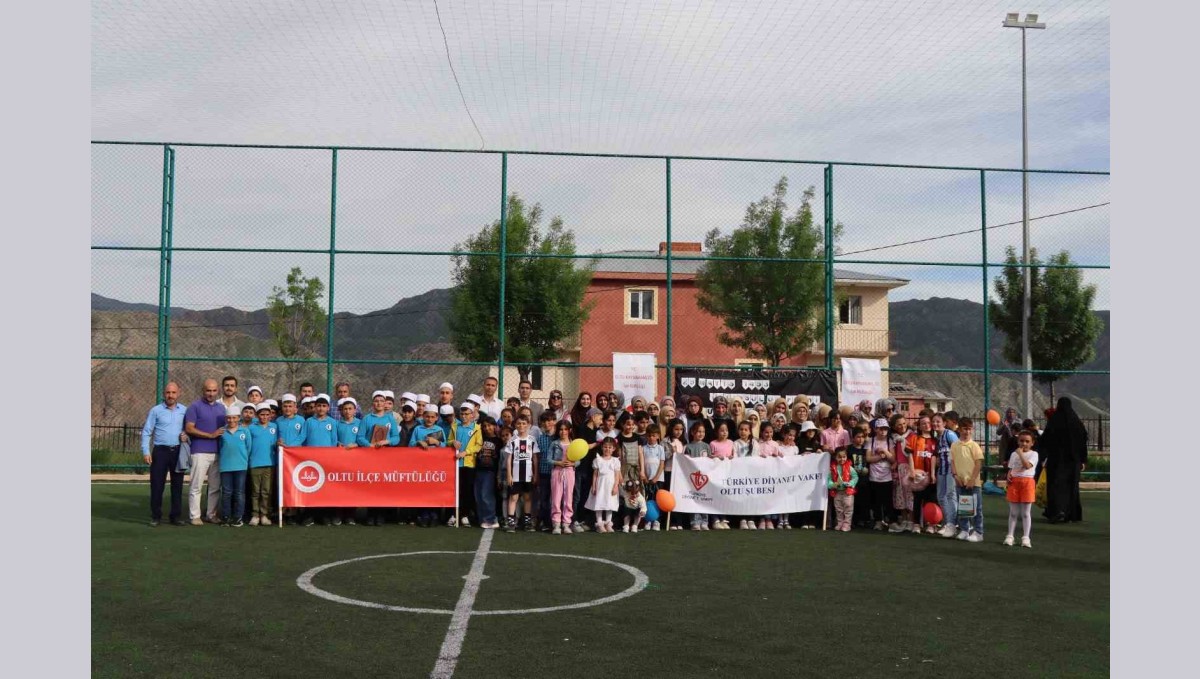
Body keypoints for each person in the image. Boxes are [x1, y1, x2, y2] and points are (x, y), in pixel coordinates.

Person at [141, 381, 188, 527]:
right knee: (156, 485)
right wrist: (146, 451)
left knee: (177, 485)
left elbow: (190, 429)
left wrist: (186, 435)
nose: (171, 395)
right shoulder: (156, 410)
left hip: (178, 451)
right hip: (160, 451)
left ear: (178, 393)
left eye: (173, 393)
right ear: (164, 394)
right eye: (168, 392)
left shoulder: (185, 410)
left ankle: (175, 516)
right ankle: (156, 516)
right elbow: (147, 431)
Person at [185, 379, 226, 525]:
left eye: (214, 390)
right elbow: (189, 428)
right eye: (208, 390)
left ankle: (211, 514)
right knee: (196, 486)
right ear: (203, 390)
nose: (211, 393)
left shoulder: (222, 408)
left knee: (215, 486)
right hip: (199, 451)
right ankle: (195, 516)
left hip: (217, 452)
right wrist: (210, 435)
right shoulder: (194, 407)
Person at [1040, 397, 1088, 524]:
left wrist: (1042, 457)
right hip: (1074, 461)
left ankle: (1057, 511)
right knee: (1072, 486)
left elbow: (1045, 440)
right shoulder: (1077, 423)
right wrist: (1083, 460)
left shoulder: (1054, 421)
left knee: (1056, 485)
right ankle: (1072, 514)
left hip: (1057, 461)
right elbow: (1083, 441)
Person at [503, 415, 540, 533]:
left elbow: (535, 458)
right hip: (515, 475)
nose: (521, 426)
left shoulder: (532, 440)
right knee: (513, 497)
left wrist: (535, 474)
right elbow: (508, 459)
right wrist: (509, 475)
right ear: (515, 425)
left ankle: (528, 522)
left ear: (529, 425)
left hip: (528, 475)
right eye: (519, 423)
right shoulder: (512, 440)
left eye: (524, 423)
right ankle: (511, 522)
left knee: (528, 497)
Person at [951, 417, 985, 542]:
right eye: (965, 429)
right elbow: (953, 462)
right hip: (960, 482)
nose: (967, 432)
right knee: (963, 507)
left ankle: (978, 532)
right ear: (959, 429)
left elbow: (978, 464)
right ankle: (965, 530)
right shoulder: (954, 445)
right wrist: (955, 476)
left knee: (977, 508)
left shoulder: (974, 445)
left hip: (973, 483)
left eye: (969, 429)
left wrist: (972, 479)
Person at [1005, 430, 1039, 548]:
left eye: (1027, 441)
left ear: (1032, 443)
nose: (1024, 443)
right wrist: (1008, 474)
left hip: (1027, 483)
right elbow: (1011, 468)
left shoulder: (1034, 454)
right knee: (1013, 512)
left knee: (1025, 513)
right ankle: (1010, 536)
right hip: (1014, 483)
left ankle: (1026, 537)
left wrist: (1020, 454)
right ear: (1018, 441)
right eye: (1021, 441)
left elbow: (1027, 466)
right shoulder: (1013, 454)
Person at [217, 406, 250, 527]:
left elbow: (248, 447)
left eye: (234, 418)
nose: (231, 420)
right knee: (226, 492)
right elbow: (220, 448)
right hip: (225, 466)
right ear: (226, 418)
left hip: (241, 466)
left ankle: (238, 517)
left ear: (238, 418)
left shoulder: (244, 431)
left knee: (239, 493)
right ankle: (225, 516)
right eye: (229, 418)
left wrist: (243, 460)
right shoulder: (222, 431)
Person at [247, 403, 278, 526]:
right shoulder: (251, 428)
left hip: (270, 463)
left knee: (266, 491)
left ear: (270, 415)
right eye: (261, 414)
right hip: (255, 463)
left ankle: (264, 515)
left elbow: (276, 443)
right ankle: (255, 515)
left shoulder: (274, 427)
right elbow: (248, 445)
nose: (264, 417)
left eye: (267, 414)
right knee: (255, 491)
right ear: (257, 415)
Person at [907, 415, 938, 534]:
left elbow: (935, 458)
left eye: (929, 422)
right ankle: (916, 524)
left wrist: (933, 474)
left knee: (931, 500)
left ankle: (930, 524)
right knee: (917, 500)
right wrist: (912, 470)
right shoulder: (914, 438)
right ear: (920, 426)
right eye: (923, 423)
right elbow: (909, 455)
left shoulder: (935, 440)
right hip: (918, 475)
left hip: (930, 475)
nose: (927, 425)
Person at [932, 412, 960, 537]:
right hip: (942, 470)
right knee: (941, 496)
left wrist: (957, 470)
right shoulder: (937, 437)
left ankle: (953, 524)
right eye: (934, 421)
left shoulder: (949, 434)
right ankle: (947, 523)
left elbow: (958, 450)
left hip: (951, 470)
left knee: (950, 495)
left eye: (938, 421)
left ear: (944, 423)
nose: (935, 424)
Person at [471, 416, 502, 529]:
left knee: (486, 495)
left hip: (490, 471)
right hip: (479, 470)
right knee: (478, 495)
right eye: (484, 426)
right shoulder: (480, 439)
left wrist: (498, 475)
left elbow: (500, 458)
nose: (487, 428)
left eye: (489, 425)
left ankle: (491, 518)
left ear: (494, 426)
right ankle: (482, 518)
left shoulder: (498, 441)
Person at [865, 418, 895, 531]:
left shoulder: (889, 441)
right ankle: (878, 521)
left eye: (885, 429)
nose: (883, 431)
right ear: (875, 429)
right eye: (881, 429)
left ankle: (890, 521)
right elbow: (868, 458)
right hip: (874, 476)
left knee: (888, 501)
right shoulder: (871, 441)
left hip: (887, 476)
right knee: (876, 501)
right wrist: (879, 457)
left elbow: (893, 459)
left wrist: (885, 452)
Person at [586, 438, 621, 533]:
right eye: (605, 447)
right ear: (602, 447)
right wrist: (594, 486)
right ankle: (599, 523)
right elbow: (595, 475)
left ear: (614, 449)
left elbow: (617, 475)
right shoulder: (598, 460)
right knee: (599, 503)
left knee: (610, 504)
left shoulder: (615, 461)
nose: (607, 449)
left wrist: (615, 486)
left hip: (610, 485)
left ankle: (608, 523)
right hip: (600, 484)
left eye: (610, 447)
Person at [547, 420, 576, 534]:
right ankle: (556, 523)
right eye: (561, 429)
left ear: (569, 431)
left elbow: (578, 460)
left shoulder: (574, 443)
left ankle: (566, 523)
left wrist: (573, 464)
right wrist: (558, 463)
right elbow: (548, 459)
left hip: (569, 472)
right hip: (557, 472)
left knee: (568, 498)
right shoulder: (554, 443)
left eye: (565, 429)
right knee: (556, 498)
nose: (563, 432)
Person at [888, 414, 915, 534]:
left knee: (910, 495)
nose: (902, 426)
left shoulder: (911, 436)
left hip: (909, 468)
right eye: (899, 424)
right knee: (900, 495)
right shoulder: (894, 438)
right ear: (894, 426)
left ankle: (911, 520)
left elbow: (912, 454)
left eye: (904, 423)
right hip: (899, 469)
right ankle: (903, 519)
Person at [454, 402, 478, 528]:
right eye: (462, 414)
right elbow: (448, 441)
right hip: (455, 464)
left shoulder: (476, 428)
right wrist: (452, 442)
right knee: (457, 490)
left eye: (466, 414)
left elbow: (479, 445)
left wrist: (466, 452)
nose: (464, 416)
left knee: (467, 491)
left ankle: (465, 515)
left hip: (469, 464)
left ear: (472, 415)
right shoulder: (455, 427)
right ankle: (454, 515)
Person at [684, 422, 711, 531]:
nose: (701, 434)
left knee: (705, 499)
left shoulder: (706, 446)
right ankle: (695, 521)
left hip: (705, 477)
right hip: (693, 478)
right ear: (692, 432)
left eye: (703, 432)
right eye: (698, 431)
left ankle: (705, 521)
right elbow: (685, 461)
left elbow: (710, 461)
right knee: (694, 499)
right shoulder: (688, 446)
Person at [533, 410, 557, 531]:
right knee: (543, 498)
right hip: (543, 473)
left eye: (550, 420)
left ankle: (553, 521)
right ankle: (543, 521)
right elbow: (537, 457)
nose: (547, 423)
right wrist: (536, 474)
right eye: (545, 421)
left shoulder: (558, 438)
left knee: (555, 499)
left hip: (556, 473)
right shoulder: (540, 439)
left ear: (554, 421)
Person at [708, 421, 734, 530]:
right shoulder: (713, 443)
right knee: (715, 495)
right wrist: (716, 457)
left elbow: (733, 455)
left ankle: (724, 518)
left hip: (727, 474)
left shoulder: (731, 443)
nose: (724, 433)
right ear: (717, 432)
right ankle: (715, 519)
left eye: (726, 430)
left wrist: (731, 458)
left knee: (725, 496)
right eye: (722, 430)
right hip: (716, 474)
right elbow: (709, 456)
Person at [642, 424, 667, 531]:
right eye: (649, 436)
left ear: (657, 436)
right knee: (647, 499)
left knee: (658, 500)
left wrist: (656, 477)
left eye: (653, 435)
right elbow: (642, 463)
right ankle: (648, 520)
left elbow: (662, 464)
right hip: (647, 479)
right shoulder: (643, 448)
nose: (651, 438)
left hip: (658, 479)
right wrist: (646, 478)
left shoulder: (660, 448)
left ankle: (657, 521)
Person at [756, 422, 780, 530]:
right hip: (760, 474)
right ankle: (762, 519)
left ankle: (769, 519)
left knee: (771, 497)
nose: (768, 434)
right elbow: (754, 456)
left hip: (772, 475)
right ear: (761, 432)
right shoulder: (757, 443)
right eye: (766, 432)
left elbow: (781, 458)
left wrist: (777, 456)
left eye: (771, 432)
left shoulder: (775, 444)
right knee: (761, 497)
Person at [828, 447, 858, 532]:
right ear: (835, 457)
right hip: (837, 492)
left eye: (844, 457)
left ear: (846, 457)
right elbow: (829, 479)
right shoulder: (833, 468)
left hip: (847, 492)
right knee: (838, 509)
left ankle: (847, 524)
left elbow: (855, 477)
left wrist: (851, 483)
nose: (842, 459)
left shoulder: (850, 467)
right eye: (839, 457)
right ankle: (840, 523)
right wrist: (832, 485)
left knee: (848, 508)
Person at [615, 413, 645, 486]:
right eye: (628, 424)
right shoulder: (619, 438)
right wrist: (620, 474)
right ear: (622, 424)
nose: (630, 427)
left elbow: (640, 454)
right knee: (625, 490)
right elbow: (619, 457)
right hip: (624, 469)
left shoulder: (637, 437)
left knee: (636, 489)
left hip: (636, 469)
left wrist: (642, 471)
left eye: (632, 424)